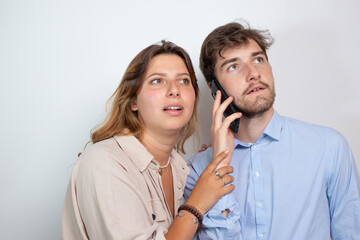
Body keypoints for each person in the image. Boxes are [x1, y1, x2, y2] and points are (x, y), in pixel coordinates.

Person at [184, 22, 360, 239]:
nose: (253, 74)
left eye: (258, 59)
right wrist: (219, 164)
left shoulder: (329, 147)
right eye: (233, 66)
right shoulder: (195, 170)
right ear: (214, 89)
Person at [61, 40, 236, 240]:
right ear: (133, 101)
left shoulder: (182, 169)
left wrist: (220, 159)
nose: (174, 90)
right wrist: (197, 203)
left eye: (184, 80)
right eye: (157, 80)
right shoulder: (103, 163)